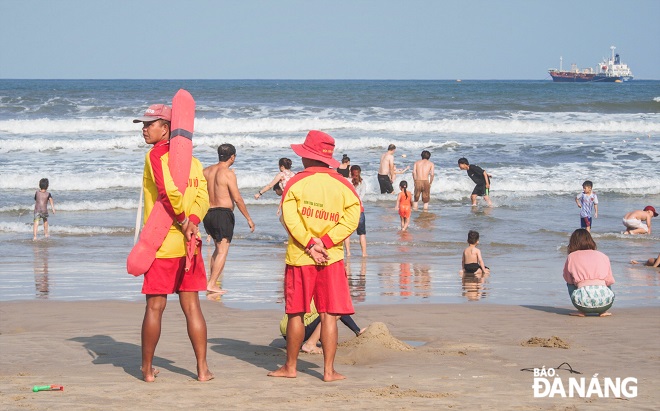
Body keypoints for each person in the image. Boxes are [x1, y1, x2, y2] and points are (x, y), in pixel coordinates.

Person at [268, 130, 361, 382]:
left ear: (307, 157)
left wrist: (310, 244)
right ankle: (329, 371)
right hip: (331, 257)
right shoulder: (344, 184)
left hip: (300, 256)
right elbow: (353, 219)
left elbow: (290, 219)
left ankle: (290, 367)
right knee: (329, 314)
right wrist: (327, 242)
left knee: (296, 312)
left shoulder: (296, 183)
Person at [133, 103, 213, 382]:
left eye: (149, 124)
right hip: (191, 245)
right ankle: (203, 370)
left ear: (165, 128)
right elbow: (203, 197)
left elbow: (167, 192)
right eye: (143, 124)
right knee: (192, 307)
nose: (144, 129)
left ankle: (147, 370)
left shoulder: (155, 155)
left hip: (162, 245)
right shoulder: (194, 161)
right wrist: (192, 220)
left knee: (155, 307)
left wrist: (181, 220)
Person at [203, 144, 255, 294]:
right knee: (223, 251)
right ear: (232, 157)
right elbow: (237, 198)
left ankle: (211, 282)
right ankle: (212, 283)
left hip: (208, 213)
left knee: (217, 249)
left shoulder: (206, 171)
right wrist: (249, 219)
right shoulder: (228, 173)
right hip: (223, 214)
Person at [279, 299, 364, 354]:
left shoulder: (310, 292)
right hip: (300, 330)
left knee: (324, 314)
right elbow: (341, 312)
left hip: (288, 332)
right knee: (337, 312)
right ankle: (310, 344)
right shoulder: (325, 295)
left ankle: (297, 343)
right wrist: (357, 330)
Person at [563, 229, 615, 317]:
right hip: (606, 302)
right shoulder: (603, 256)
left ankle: (581, 311)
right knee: (606, 282)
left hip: (582, 303)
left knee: (570, 283)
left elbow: (568, 279)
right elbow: (609, 280)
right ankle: (603, 311)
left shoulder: (571, 256)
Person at [344, 165, 367, 257]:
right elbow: (361, 197)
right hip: (359, 209)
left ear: (351, 172)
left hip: (349, 209)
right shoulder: (363, 183)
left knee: (347, 233)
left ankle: (348, 253)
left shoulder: (347, 181)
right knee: (362, 233)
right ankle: (364, 253)